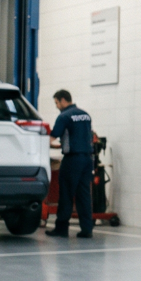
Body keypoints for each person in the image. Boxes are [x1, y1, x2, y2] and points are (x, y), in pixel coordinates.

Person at [47, 89, 95, 238]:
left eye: (56, 103)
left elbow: (52, 138)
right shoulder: (85, 115)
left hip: (72, 160)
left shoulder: (64, 116)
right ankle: (87, 229)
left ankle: (61, 228)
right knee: (84, 195)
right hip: (88, 159)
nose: (56, 106)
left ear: (62, 100)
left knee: (66, 194)